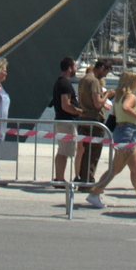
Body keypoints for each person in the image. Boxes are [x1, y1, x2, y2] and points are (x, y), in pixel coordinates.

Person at [86, 69, 136, 209]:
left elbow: (116, 115)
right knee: (115, 168)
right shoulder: (130, 97)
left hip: (125, 132)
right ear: (131, 82)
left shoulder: (119, 97)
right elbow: (126, 108)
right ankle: (95, 193)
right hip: (128, 133)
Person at [76, 59, 112, 185]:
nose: (105, 75)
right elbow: (97, 103)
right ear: (102, 68)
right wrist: (107, 94)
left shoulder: (83, 80)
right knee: (93, 153)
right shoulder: (94, 81)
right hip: (94, 120)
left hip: (84, 118)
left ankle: (83, 179)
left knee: (86, 151)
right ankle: (88, 180)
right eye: (106, 72)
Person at [51, 57, 82, 185]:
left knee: (61, 151)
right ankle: (59, 179)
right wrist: (81, 111)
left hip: (61, 121)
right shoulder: (65, 84)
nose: (76, 69)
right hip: (66, 122)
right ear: (69, 68)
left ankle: (58, 177)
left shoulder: (59, 82)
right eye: (75, 66)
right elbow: (66, 105)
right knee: (64, 152)